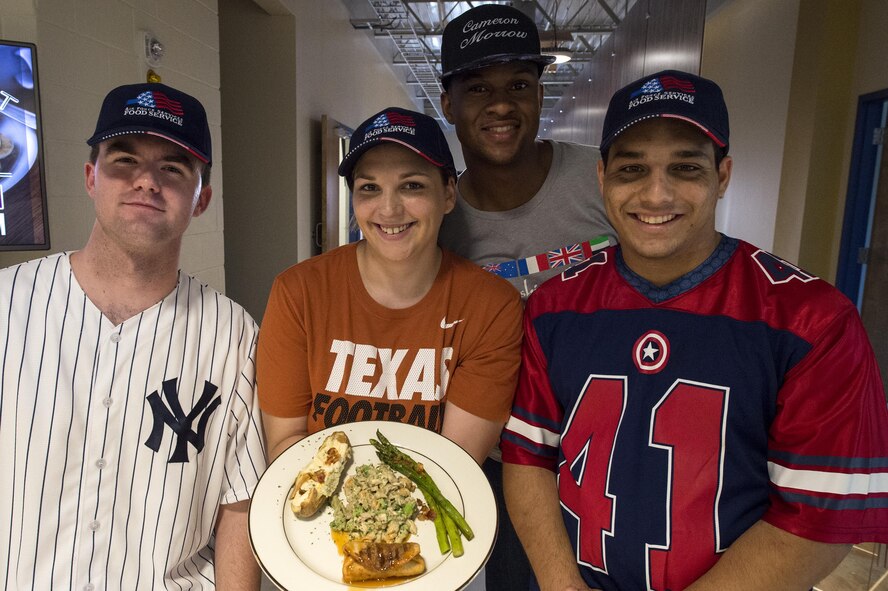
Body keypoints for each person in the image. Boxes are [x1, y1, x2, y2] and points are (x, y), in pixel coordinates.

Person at [501, 69, 888, 591]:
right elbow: (530, 457)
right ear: (601, 179)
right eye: (631, 169)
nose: (656, 194)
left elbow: (819, 520)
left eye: (685, 167)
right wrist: (561, 584)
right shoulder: (553, 306)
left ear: (723, 175)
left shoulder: (811, 321)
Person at [0, 83, 265, 590]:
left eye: (172, 168)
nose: (146, 181)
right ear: (90, 177)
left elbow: (240, 508)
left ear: (201, 198)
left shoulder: (234, 335)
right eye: (124, 160)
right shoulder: (8, 305)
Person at [436, 5, 616, 589]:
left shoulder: (602, 179)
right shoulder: (437, 218)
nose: (502, 105)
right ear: (448, 105)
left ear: (541, 93)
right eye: (478, 88)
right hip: (506, 459)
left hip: (614, 448)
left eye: (519, 84)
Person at [256, 106, 523, 468]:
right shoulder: (298, 292)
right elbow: (288, 443)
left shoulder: (491, 306)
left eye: (411, 185)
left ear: (447, 194)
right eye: (370, 188)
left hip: (431, 507)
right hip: (321, 512)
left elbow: (456, 462)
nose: (389, 208)